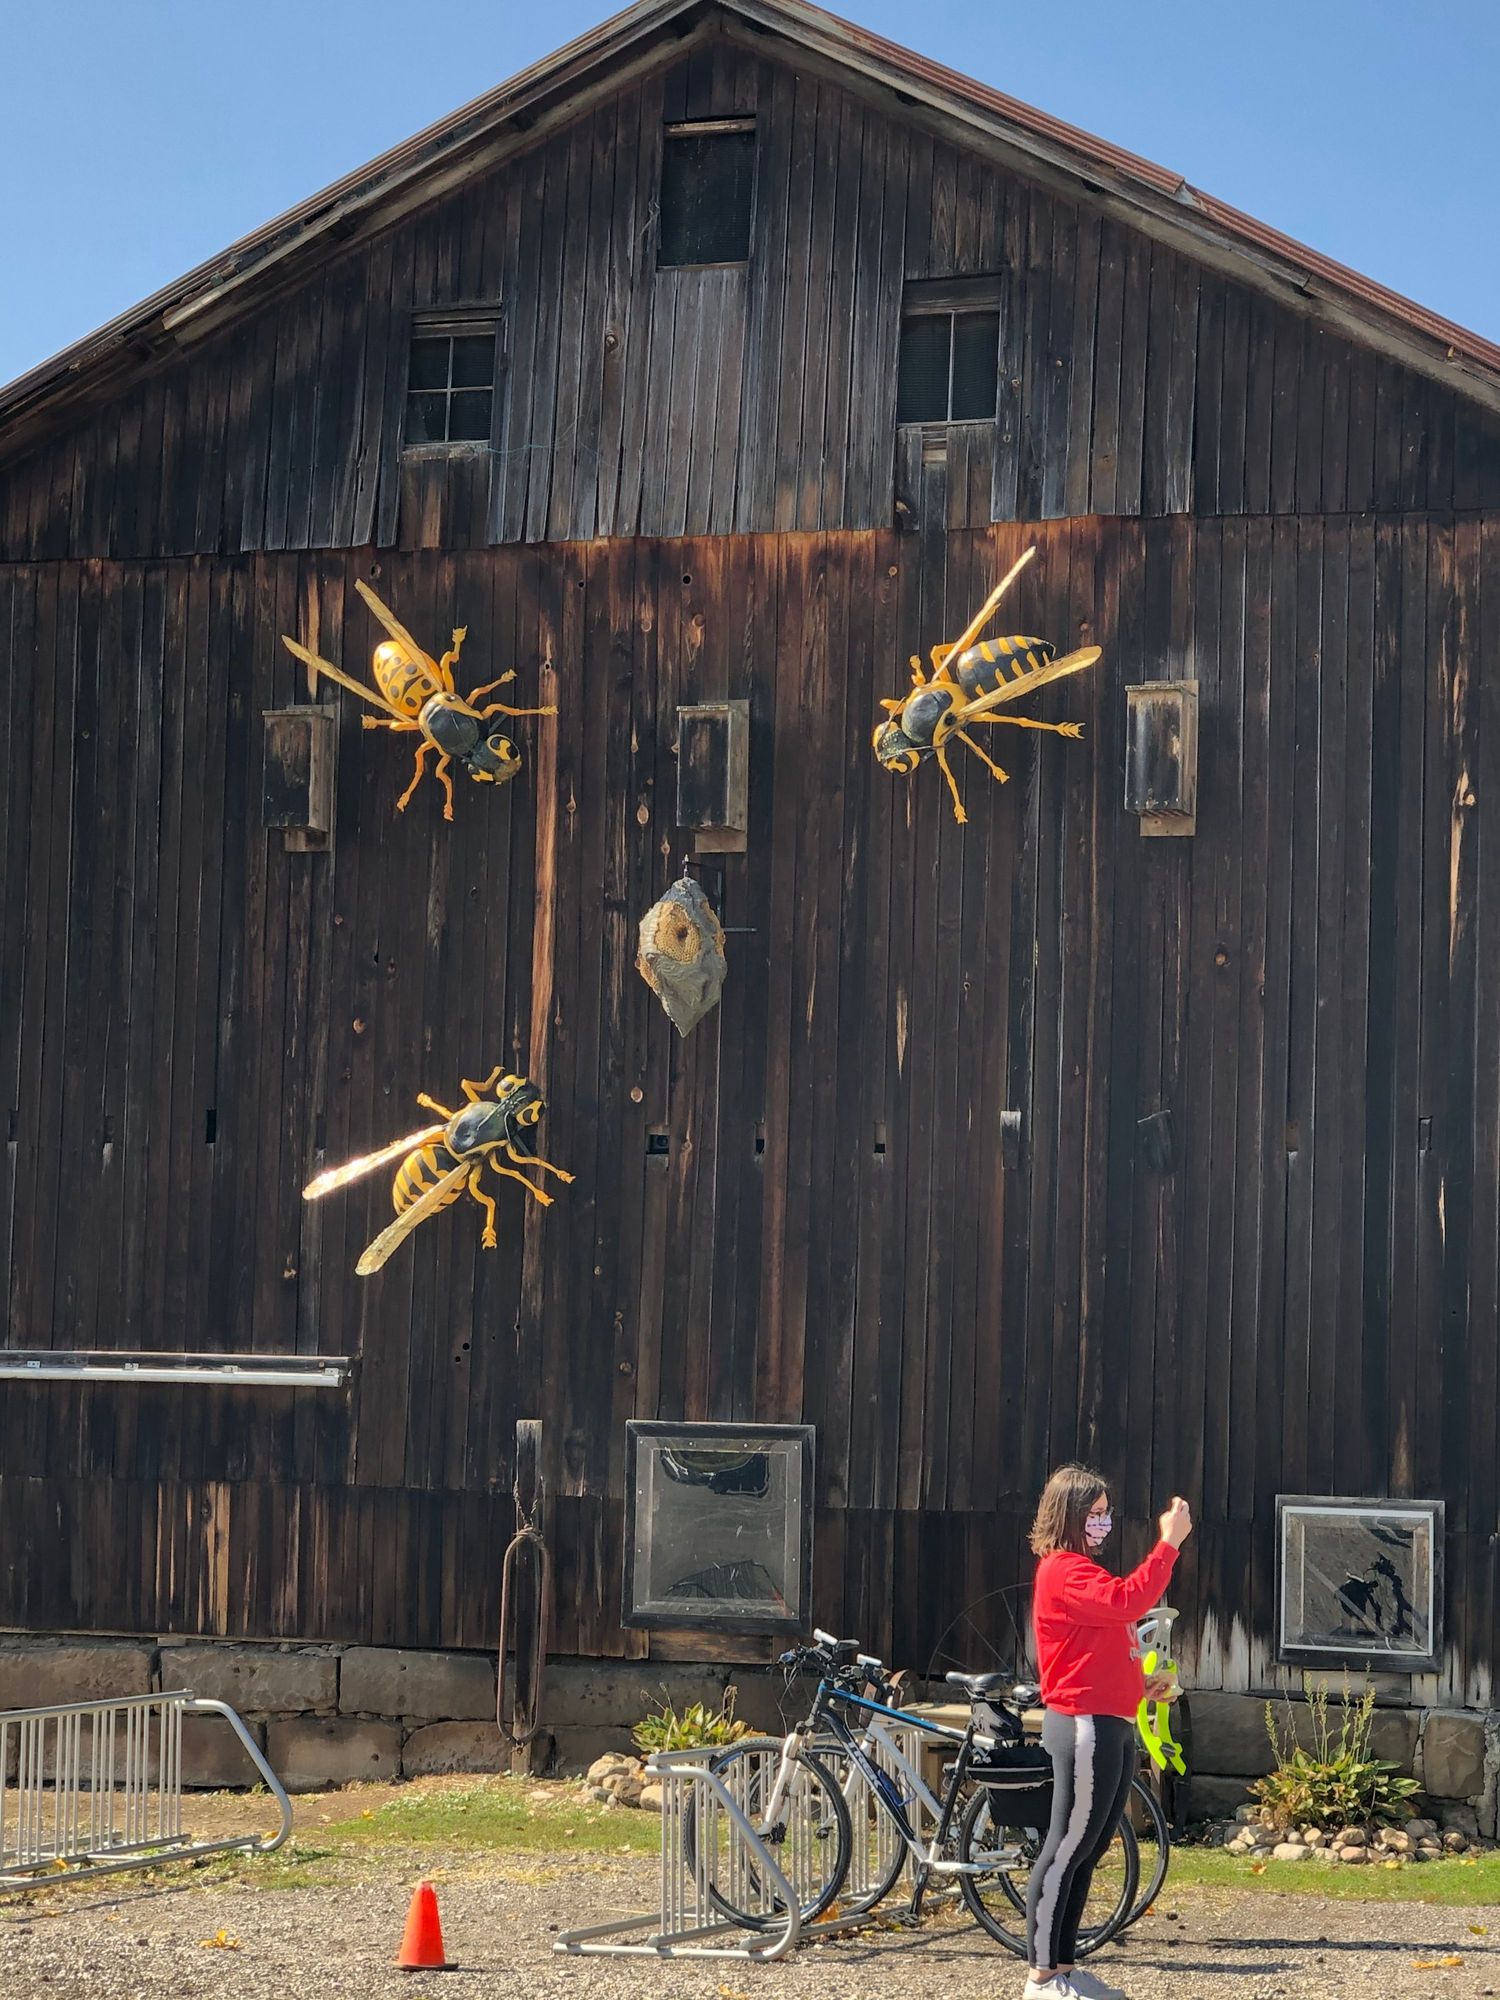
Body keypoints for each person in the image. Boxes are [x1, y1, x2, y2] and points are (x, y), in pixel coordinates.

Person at [1020, 1466, 1193, 2000]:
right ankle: (1041, 1975)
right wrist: (1168, 1544)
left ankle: (1062, 1967)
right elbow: (1129, 1601)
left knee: (1089, 1847)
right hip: (1083, 1723)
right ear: (1070, 1516)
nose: (1104, 1522)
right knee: (1068, 1845)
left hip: (1109, 1721)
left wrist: (1143, 1686)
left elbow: (1096, 1652)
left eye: (1105, 1513)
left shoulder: (1080, 1572)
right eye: (1095, 1514)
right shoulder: (1063, 1570)